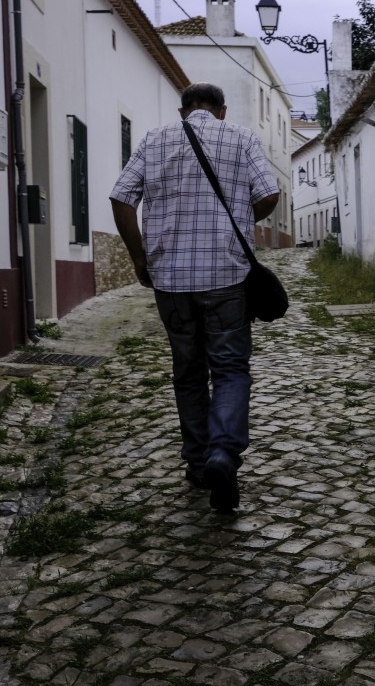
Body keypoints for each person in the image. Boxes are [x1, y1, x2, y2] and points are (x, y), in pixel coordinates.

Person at [109, 82, 279, 513]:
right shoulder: (240, 136)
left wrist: (139, 257)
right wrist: (239, 218)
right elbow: (269, 193)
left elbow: (122, 197)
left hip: (171, 281)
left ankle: (198, 461)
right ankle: (223, 453)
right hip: (226, 275)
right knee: (230, 370)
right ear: (220, 111)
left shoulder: (153, 139)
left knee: (187, 372)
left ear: (183, 111)